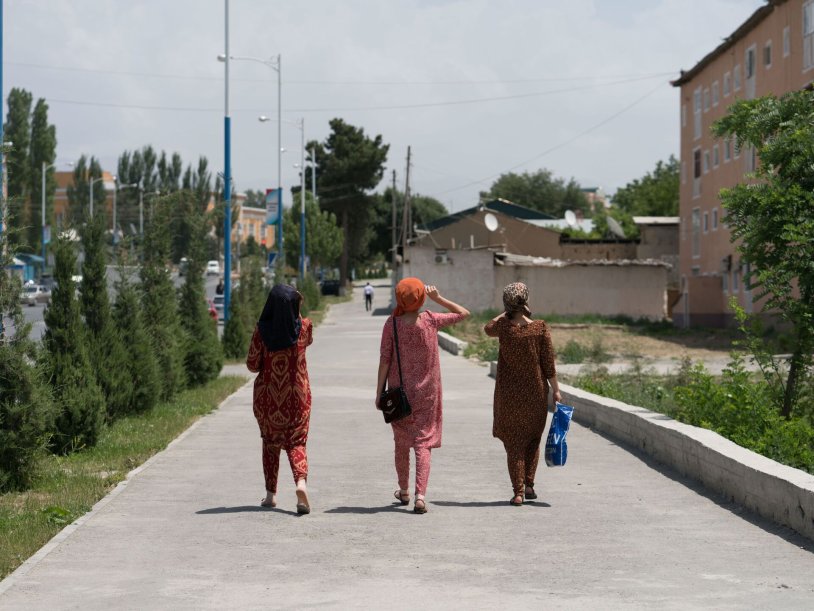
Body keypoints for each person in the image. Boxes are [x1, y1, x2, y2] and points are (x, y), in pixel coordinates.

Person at [376, 278, 470, 514]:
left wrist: (379, 393)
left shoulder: (392, 324)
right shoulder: (430, 320)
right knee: (423, 443)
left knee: (401, 443)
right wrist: (438, 298)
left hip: (399, 396)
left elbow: (385, 359)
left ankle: (404, 491)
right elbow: (463, 313)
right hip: (427, 394)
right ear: (421, 298)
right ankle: (420, 496)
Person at [485, 282, 560, 506]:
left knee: (514, 444)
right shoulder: (540, 328)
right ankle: (529, 485)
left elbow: (487, 328)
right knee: (532, 441)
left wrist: (507, 311)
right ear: (526, 300)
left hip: (508, 396)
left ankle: (517, 492)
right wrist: (556, 390)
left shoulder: (503, 328)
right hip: (536, 394)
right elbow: (548, 364)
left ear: (507, 303)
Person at [246, 284, 314, 514]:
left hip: (267, 399)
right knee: (297, 442)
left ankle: (270, 495)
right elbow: (307, 339)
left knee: (270, 442)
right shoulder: (303, 328)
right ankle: (301, 484)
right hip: (298, 397)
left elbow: (252, 365)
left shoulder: (262, 332)